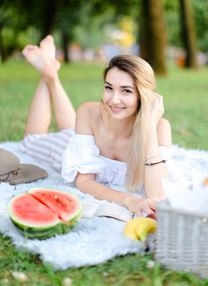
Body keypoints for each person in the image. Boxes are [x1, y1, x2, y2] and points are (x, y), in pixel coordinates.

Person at [21, 35, 187, 217]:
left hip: (85, 135)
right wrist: (129, 200)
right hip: (69, 145)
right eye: (109, 88)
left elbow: (157, 196)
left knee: (70, 128)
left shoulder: (160, 128)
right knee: (32, 140)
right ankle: (48, 75)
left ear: (144, 95)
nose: (114, 99)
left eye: (126, 90)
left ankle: (51, 72)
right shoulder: (88, 112)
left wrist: (149, 127)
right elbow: (83, 182)